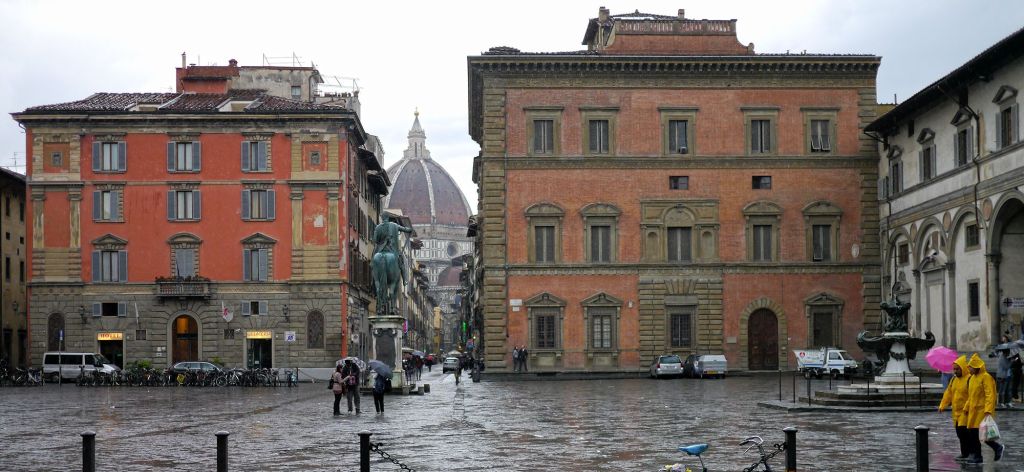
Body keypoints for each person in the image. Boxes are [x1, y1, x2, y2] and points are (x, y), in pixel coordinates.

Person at [964, 353, 1003, 464]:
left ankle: (995, 449)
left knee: (980, 434)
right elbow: (971, 396)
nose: (969, 369)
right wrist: (966, 407)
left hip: (982, 411)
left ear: (976, 367)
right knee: (974, 434)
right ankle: (979, 456)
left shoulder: (986, 377)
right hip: (973, 411)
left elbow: (990, 395)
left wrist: (988, 410)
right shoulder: (972, 378)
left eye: (970, 367)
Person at [938, 355, 971, 461]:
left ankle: (968, 453)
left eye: (957, 369)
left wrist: (967, 407)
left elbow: (972, 395)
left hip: (966, 412)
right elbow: (948, 393)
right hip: (956, 412)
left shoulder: (969, 379)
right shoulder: (954, 379)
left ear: (963, 368)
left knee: (963, 432)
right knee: (959, 433)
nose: (955, 371)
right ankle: (965, 453)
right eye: (954, 369)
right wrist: (942, 405)